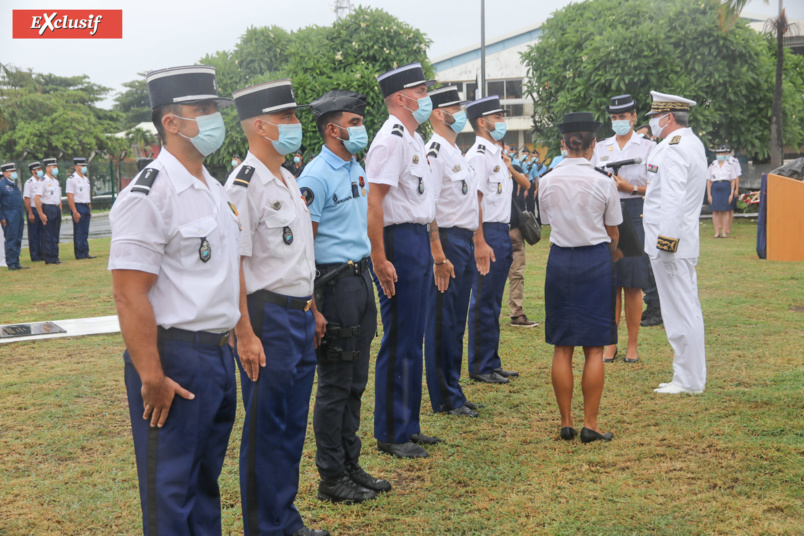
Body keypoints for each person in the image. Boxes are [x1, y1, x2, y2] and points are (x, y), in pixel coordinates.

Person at [109, 65, 240, 536]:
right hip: (176, 358)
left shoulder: (213, 187)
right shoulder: (149, 194)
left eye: (213, 109)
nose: (212, 119)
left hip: (217, 355)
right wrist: (151, 375)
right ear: (171, 122)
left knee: (204, 481)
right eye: (201, 110)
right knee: (171, 489)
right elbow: (129, 292)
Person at [224, 79, 330, 536]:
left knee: (290, 427)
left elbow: (299, 258)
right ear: (260, 126)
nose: (296, 124)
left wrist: (314, 307)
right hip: (266, 317)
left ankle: (285, 520)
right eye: (287, 117)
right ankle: (263, 528)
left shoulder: (288, 179)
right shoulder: (243, 186)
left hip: (299, 313)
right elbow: (236, 267)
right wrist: (244, 333)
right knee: (267, 427)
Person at [297, 89, 391, 504]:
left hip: (359, 279)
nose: (360, 130)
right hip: (332, 285)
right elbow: (304, 246)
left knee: (355, 381)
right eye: (353, 123)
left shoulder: (355, 167)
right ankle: (331, 476)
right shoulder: (315, 176)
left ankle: (351, 465)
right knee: (335, 384)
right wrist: (312, 305)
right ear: (332, 129)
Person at [366, 63, 441, 459]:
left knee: (414, 337)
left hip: (416, 240)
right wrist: (379, 256)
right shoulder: (390, 140)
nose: (426, 96)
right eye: (421, 89)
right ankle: (392, 431)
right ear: (401, 97)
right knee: (399, 339)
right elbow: (374, 200)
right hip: (397, 242)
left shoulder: (412, 139)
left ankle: (409, 425)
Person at [539, 112, 622, 443]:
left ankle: (566, 421)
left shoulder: (546, 180)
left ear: (563, 144)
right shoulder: (603, 181)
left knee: (562, 346)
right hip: (595, 262)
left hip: (560, 261)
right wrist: (611, 249)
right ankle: (591, 423)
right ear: (592, 146)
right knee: (594, 347)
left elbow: (547, 222)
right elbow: (613, 232)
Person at [422, 85, 483, 418]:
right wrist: (438, 255)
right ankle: (445, 397)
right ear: (438, 113)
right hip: (446, 241)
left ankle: (453, 388)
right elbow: (428, 205)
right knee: (443, 322)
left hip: (463, 239)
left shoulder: (454, 150)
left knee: (456, 321)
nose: (460, 112)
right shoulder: (434, 150)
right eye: (455, 107)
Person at [643, 91, 708, 395]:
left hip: (670, 243)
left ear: (667, 117)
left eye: (655, 117)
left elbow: (672, 199)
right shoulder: (691, 143)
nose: (653, 123)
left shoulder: (673, 149)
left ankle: (688, 380)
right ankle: (688, 376)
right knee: (685, 308)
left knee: (680, 311)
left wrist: (665, 244)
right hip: (680, 241)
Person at [465, 95, 529, 384]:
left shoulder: (495, 154)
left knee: (494, 300)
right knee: (484, 300)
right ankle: (480, 365)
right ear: (483, 122)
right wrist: (480, 240)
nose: (502, 121)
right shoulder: (479, 155)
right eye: (499, 116)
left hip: (500, 231)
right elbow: (475, 201)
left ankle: (492, 361)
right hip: (487, 232)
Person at [591, 95, 656, 363]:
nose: (619, 121)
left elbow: (658, 185)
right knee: (610, 284)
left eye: (624, 116)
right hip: (605, 216)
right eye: (614, 117)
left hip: (633, 214)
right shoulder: (601, 147)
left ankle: (632, 344)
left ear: (634, 117)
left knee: (632, 284)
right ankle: (610, 342)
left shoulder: (649, 147)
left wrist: (632, 188)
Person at [507, 147, 539, 328]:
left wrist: (509, 168)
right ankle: (489, 311)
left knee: (517, 273)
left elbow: (527, 185)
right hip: (495, 229)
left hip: (513, 227)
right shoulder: (480, 163)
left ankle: (517, 313)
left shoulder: (515, 169)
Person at [66, 157, 96, 259]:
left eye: (84, 166)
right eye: (82, 166)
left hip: (86, 206)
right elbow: (70, 196)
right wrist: (74, 211)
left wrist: (90, 209)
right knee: (78, 231)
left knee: (85, 231)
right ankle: (79, 254)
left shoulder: (86, 179)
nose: (84, 168)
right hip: (78, 205)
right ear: (76, 167)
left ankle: (85, 252)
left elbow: (88, 195)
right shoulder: (71, 179)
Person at [34, 157, 63, 265]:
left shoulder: (55, 180)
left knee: (55, 234)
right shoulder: (43, 181)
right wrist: (41, 213)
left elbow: (58, 197)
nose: (55, 168)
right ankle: (49, 258)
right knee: (49, 234)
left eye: (56, 166)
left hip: (55, 208)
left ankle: (55, 257)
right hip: (48, 208)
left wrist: (59, 209)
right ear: (47, 168)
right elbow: (37, 198)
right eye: (53, 167)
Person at [1, 163, 28, 270]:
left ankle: (16, 262)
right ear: (5, 173)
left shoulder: (14, 184)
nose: (13, 173)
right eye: (11, 172)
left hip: (18, 216)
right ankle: (11, 263)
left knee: (18, 238)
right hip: (8, 217)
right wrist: (1, 217)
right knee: (11, 239)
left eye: (14, 171)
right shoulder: (2, 185)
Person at [707, 145, 735, 239]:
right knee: (715, 211)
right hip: (715, 187)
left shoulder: (729, 166)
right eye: (718, 153)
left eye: (721, 153)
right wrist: (709, 194)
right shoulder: (712, 165)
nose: (720, 155)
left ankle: (724, 232)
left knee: (725, 210)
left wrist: (731, 193)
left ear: (724, 154)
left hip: (725, 187)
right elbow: (709, 181)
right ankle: (716, 232)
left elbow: (733, 180)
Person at [23, 162, 45, 262]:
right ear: (33, 171)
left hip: (42, 209)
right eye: (38, 169)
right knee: (34, 234)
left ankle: (42, 254)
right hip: (33, 209)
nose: (40, 171)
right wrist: (30, 213)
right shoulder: (29, 183)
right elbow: (27, 199)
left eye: (40, 169)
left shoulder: (43, 181)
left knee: (43, 233)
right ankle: (35, 256)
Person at [725, 145, 741, 235]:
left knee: (730, 208)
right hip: (722, 184)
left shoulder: (735, 161)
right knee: (722, 208)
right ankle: (722, 226)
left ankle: (728, 227)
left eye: (728, 152)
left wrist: (736, 189)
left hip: (732, 184)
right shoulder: (719, 161)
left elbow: (737, 176)